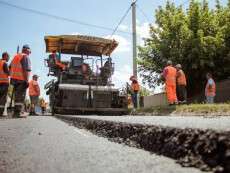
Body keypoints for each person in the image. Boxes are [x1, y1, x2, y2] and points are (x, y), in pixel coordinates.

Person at [10, 44, 31, 117]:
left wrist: (12, 77)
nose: (30, 53)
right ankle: (17, 113)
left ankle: (16, 112)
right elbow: (26, 70)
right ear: (26, 50)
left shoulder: (16, 56)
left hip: (14, 79)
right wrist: (26, 80)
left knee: (17, 96)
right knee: (21, 96)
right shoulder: (25, 56)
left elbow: (10, 67)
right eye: (29, 51)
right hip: (21, 79)